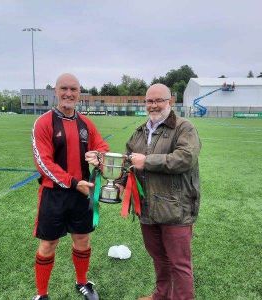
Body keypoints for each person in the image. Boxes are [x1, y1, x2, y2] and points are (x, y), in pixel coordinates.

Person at [31, 73, 109, 300]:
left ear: (79, 93)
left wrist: (99, 155)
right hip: (54, 194)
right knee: (49, 243)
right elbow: (43, 162)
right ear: (56, 91)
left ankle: (83, 282)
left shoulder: (85, 123)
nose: (69, 93)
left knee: (82, 240)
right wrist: (73, 183)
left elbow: (101, 145)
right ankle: (42, 294)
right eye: (64, 88)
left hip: (81, 195)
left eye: (73, 89)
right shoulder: (44, 122)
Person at [125, 83, 201, 300]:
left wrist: (147, 161)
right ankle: (161, 295)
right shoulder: (140, 131)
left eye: (159, 100)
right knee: (159, 257)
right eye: (150, 101)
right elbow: (128, 159)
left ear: (170, 101)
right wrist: (121, 181)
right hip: (147, 207)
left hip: (175, 208)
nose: (154, 105)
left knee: (179, 263)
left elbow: (185, 158)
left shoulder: (184, 128)